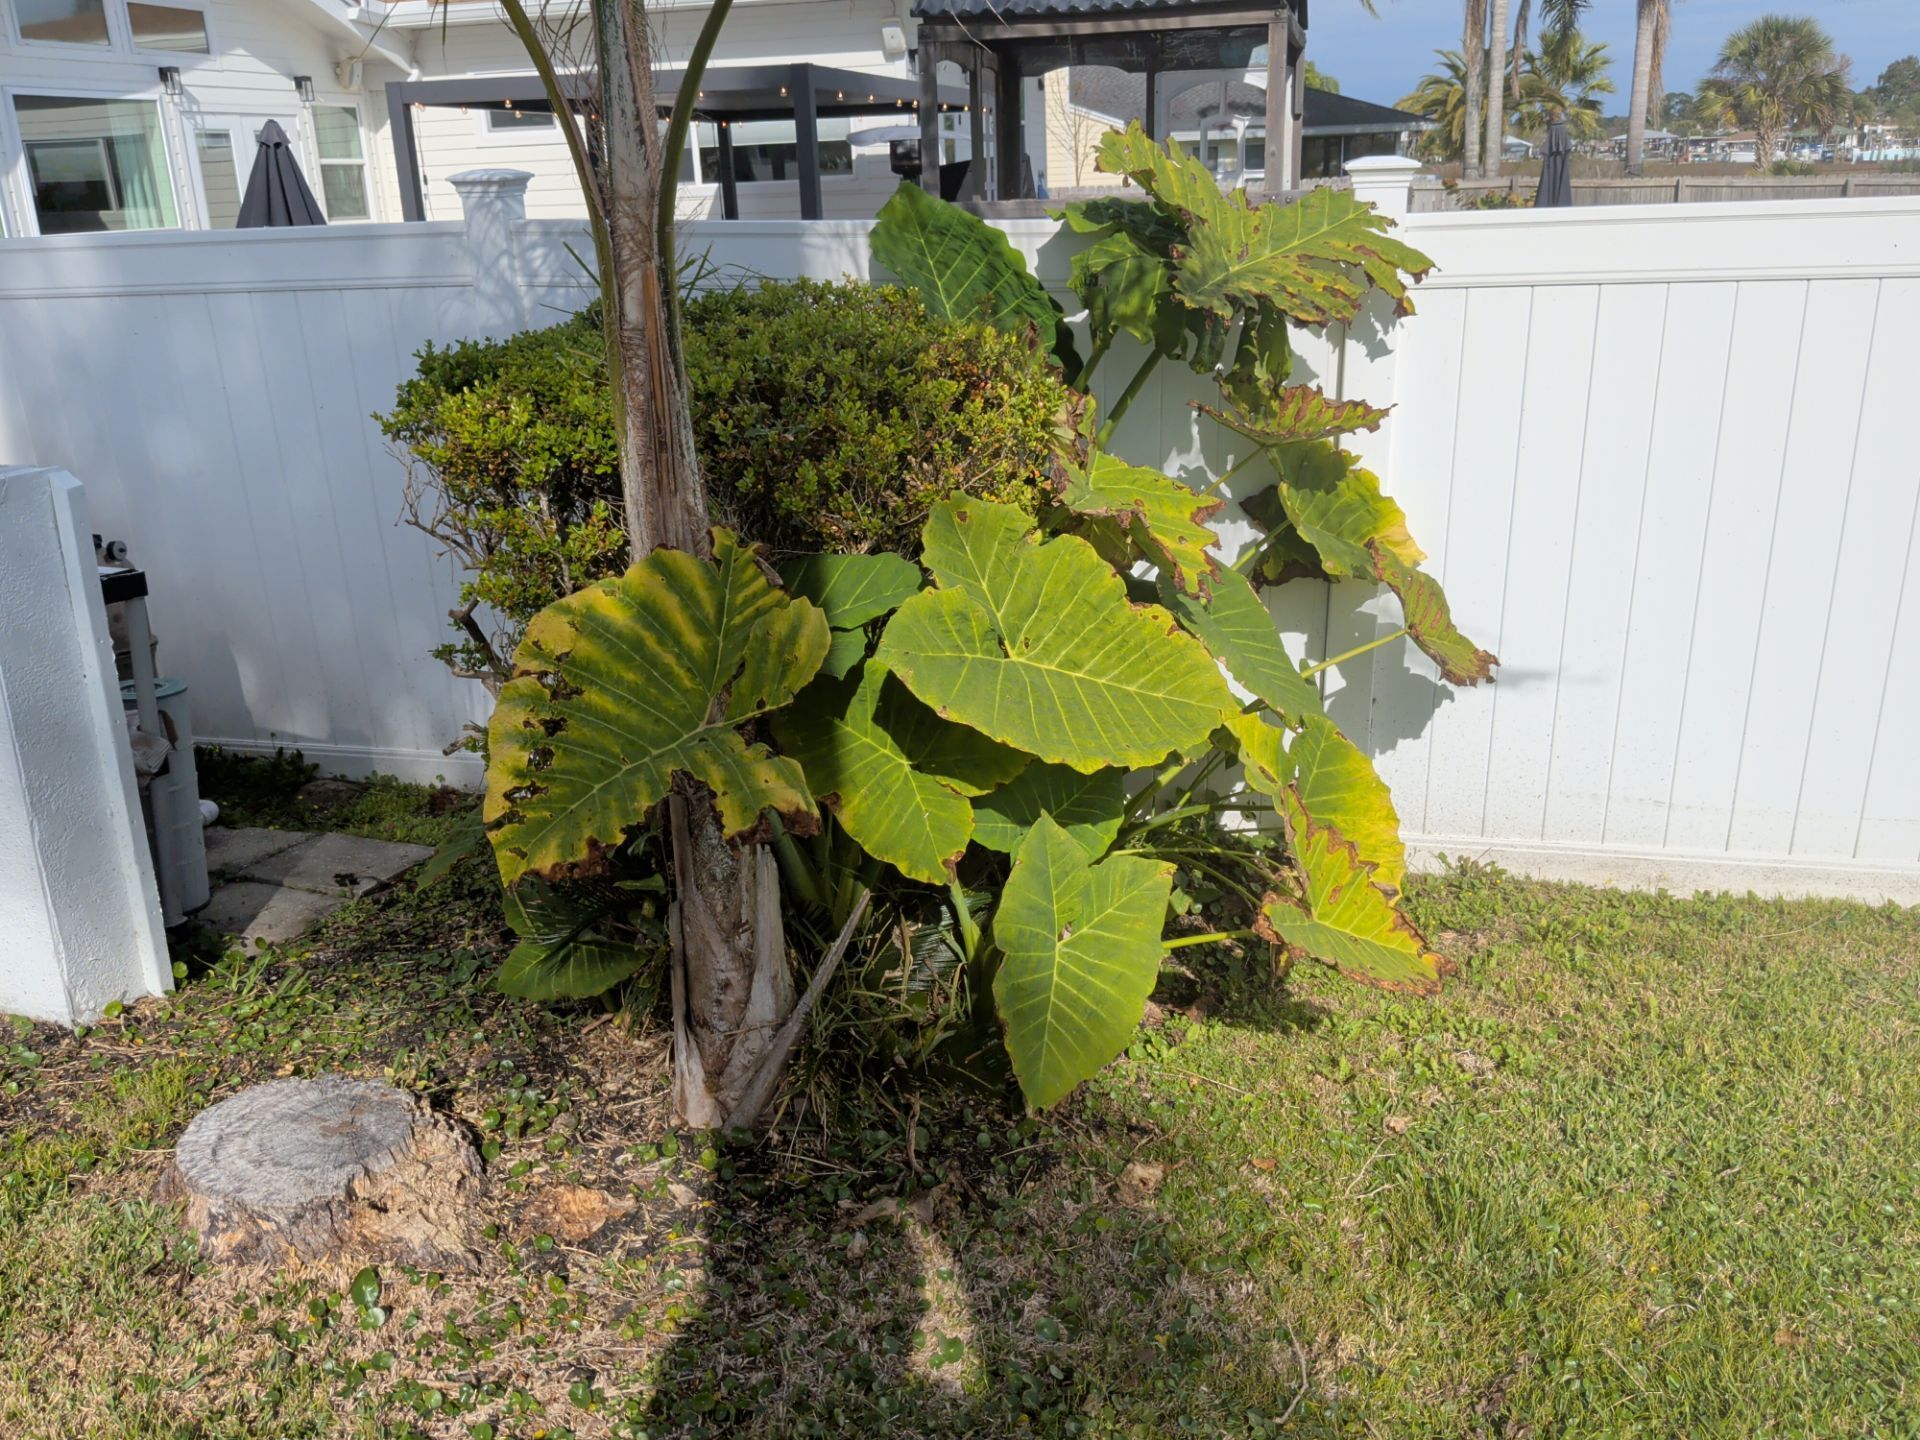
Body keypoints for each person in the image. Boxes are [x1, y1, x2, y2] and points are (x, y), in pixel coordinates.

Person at [1538, 108, 1574, 208]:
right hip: (1559, 161)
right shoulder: (1561, 129)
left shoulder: (1553, 129)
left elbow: (1548, 148)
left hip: (1552, 163)